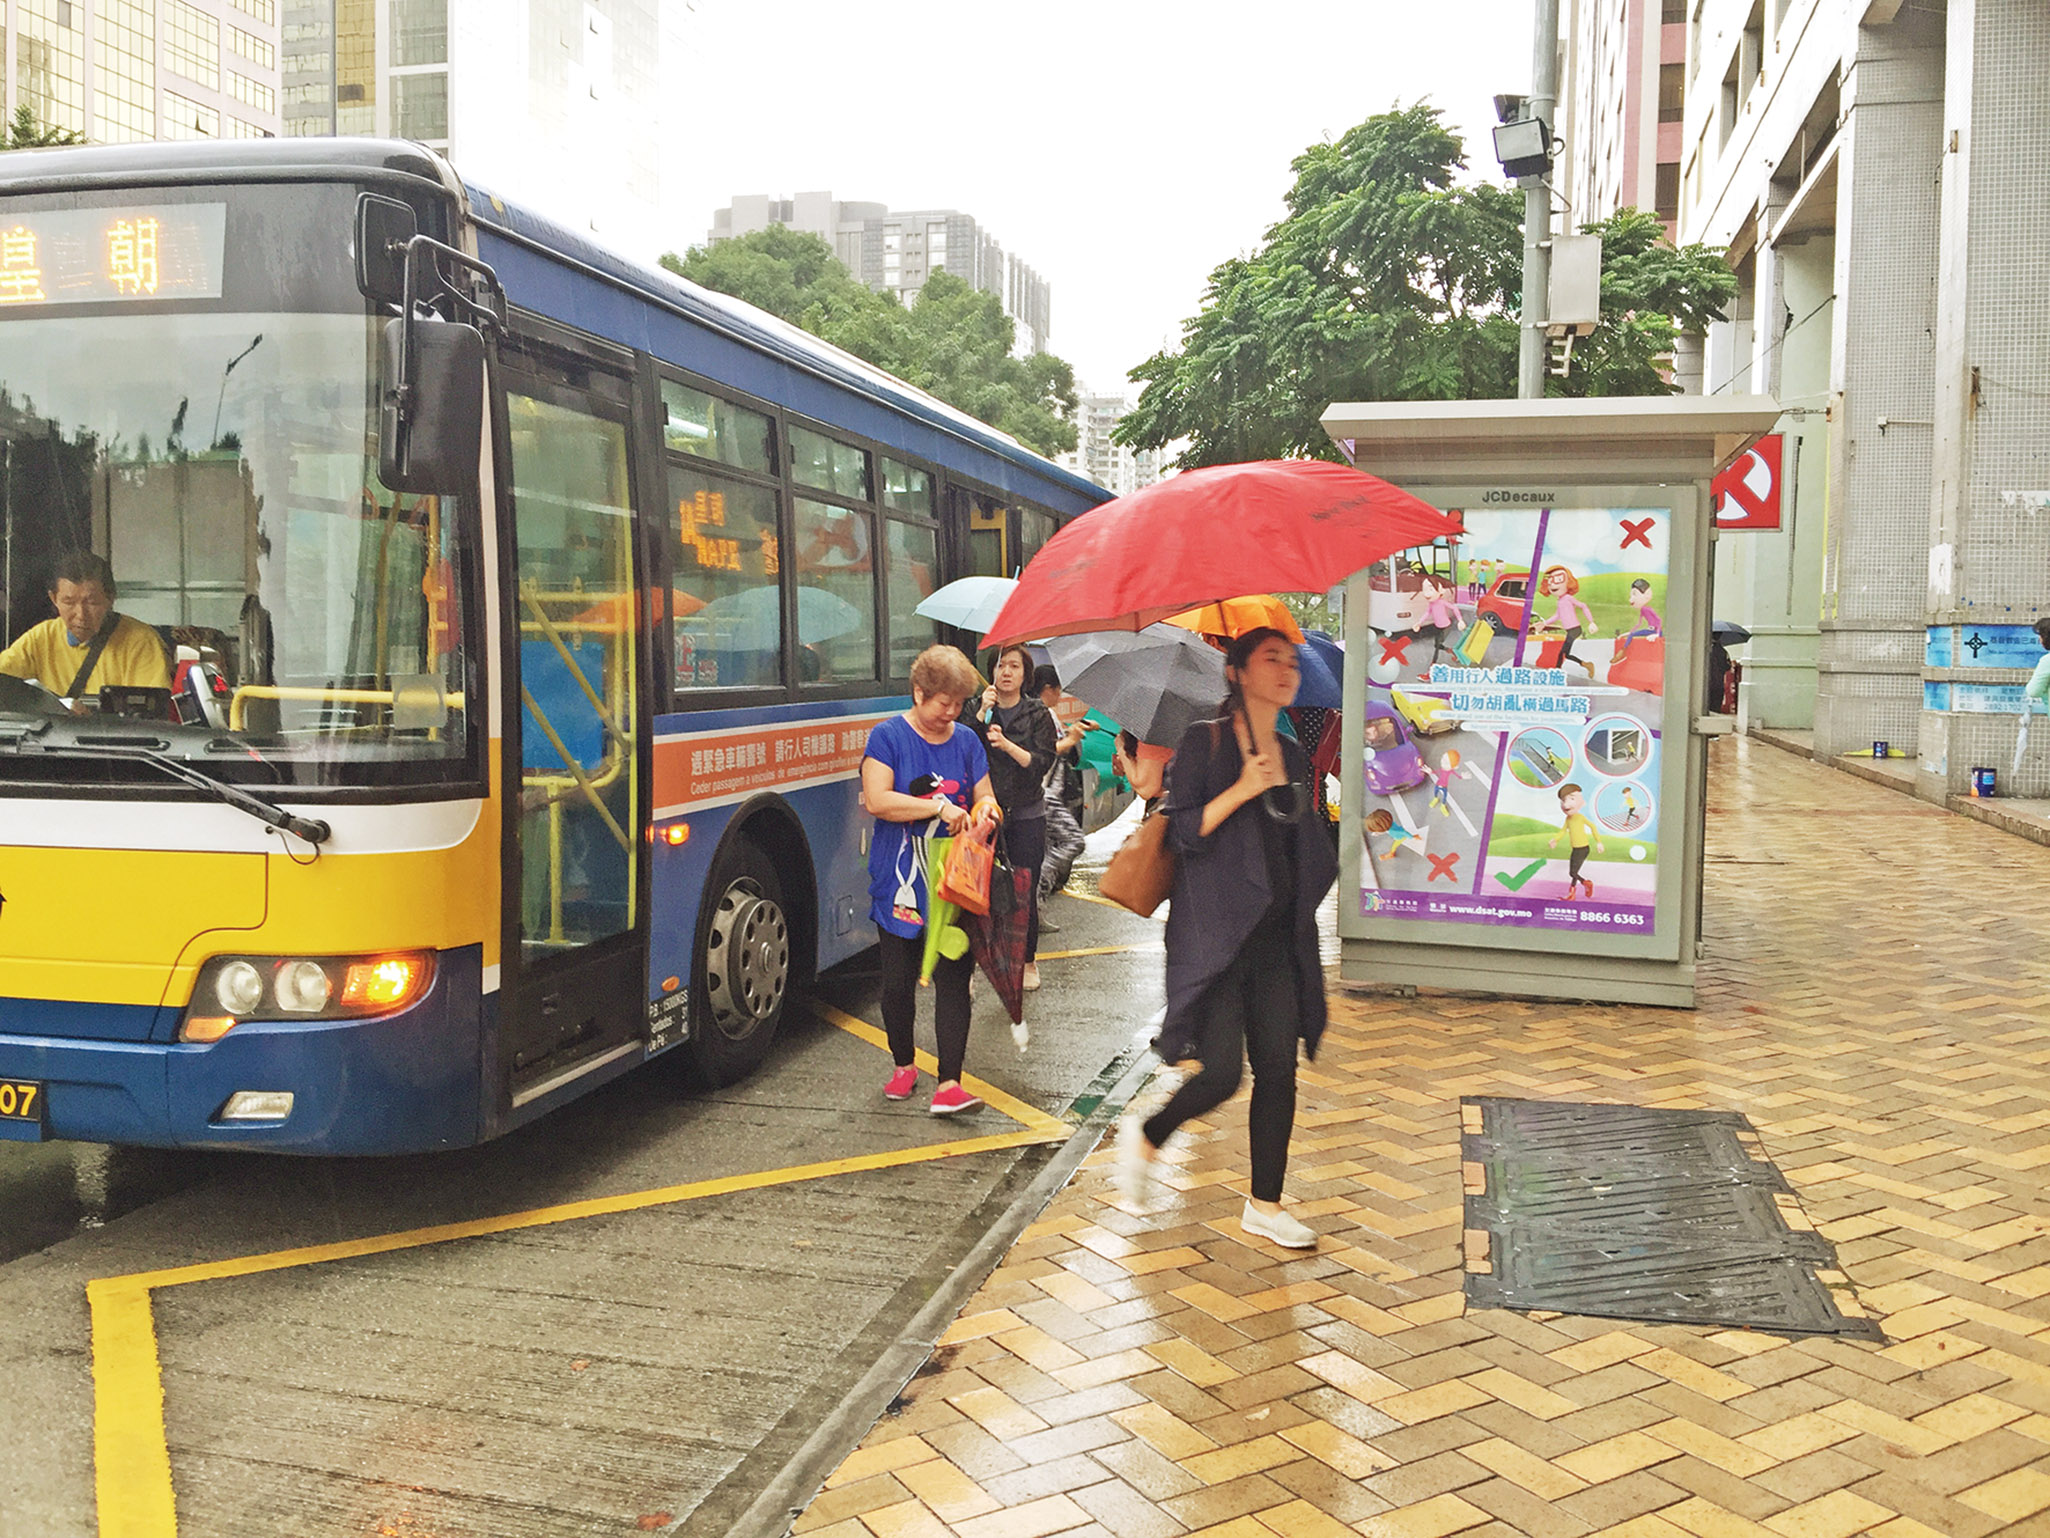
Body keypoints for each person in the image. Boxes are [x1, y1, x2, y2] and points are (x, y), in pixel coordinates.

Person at [1116, 627, 1340, 1249]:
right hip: (1214, 941)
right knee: (1220, 1075)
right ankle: (1148, 1135)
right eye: (1271, 659)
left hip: (1276, 942)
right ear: (1238, 672)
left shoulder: (1292, 754)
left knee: (1279, 1072)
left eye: (1291, 661)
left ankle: (1265, 1205)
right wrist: (1244, 786)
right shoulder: (1203, 742)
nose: (1286, 669)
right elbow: (1185, 832)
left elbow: (1301, 839)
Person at [859, 644, 999, 1115]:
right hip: (899, 881)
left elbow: (984, 795)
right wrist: (938, 807)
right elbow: (878, 801)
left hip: (954, 884)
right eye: (944, 703)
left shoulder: (966, 741)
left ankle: (950, 1083)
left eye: (959, 704)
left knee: (954, 980)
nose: (953, 713)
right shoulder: (887, 737)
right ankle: (903, 1064)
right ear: (919, 693)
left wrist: (986, 813)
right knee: (897, 982)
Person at [971, 643, 1058, 991]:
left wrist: (1007, 745)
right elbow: (964, 748)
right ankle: (980, 964)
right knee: (978, 892)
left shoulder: (1037, 714)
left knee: (1024, 888)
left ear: (1025, 675)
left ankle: (1028, 960)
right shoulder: (980, 708)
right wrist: (980, 714)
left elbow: (1041, 763)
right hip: (985, 814)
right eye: (1001, 666)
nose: (1006, 672)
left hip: (1026, 814)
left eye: (1014, 667)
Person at [0, 551, 171, 704]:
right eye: (69, 602)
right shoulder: (41, 637)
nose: (81, 614)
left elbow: (153, 710)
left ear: (111, 598)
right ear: (54, 599)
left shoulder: (142, 641)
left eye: (92, 602)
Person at [1547, 781, 1605, 900]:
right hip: (1575, 848)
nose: (1565, 804)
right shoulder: (1568, 819)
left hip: (1583, 849)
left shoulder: (1580, 817)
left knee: (1573, 873)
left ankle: (1585, 884)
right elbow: (1563, 831)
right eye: (1563, 800)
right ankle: (1574, 893)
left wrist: (1598, 842)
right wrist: (1555, 840)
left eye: (1570, 799)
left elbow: (1593, 826)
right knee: (1573, 872)